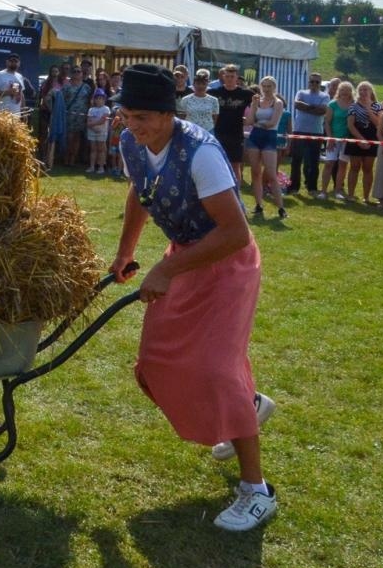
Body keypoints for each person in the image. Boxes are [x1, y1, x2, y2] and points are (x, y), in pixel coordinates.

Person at [110, 64, 276, 532]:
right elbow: (139, 193)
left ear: (169, 114)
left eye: (144, 117)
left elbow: (236, 234)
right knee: (156, 362)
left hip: (227, 264)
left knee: (216, 370)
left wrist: (166, 269)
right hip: (184, 257)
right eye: (127, 116)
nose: (135, 126)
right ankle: (249, 406)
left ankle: (256, 491)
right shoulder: (131, 144)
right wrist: (126, 252)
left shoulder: (200, 153)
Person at [243, 76, 287, 219]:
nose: (267, 89)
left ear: (274, 87)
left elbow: (272, 122)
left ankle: (281, 207)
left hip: (269, 137)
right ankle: (258, 205)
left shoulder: (278, 103)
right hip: (255, 137)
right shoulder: (257, 101)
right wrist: (254, 106)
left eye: (269, 86)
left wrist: (257, 122)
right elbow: (249, 121)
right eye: (264, 86)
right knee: (255, 172)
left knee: (271, 174)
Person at [211, 65, 252, 187]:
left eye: (232, 76)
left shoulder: (246, 93)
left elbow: (259, 105)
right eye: (227, 76)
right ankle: (217, 190)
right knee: (216, 164)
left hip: (236, 134)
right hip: (217, 133)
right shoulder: (213, 92)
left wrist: (250, 119)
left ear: (236, 78)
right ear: (223, 77)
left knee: (235, 165)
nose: (229, 79)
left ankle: (237, 195)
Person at [289, 72, 328, 197]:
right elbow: (297, 105)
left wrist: (306, 107)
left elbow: (322, 111)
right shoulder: (301, 92)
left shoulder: (325, 96)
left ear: (320, 84)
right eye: (312, 81)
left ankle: (312, 188)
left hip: (316, 132)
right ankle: (293, 187)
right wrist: (314, 108)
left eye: (317, 82)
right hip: (299, 130)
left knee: (313, 161)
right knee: (296, 160)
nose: (314, 84)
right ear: (308, 82)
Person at [344, 81, 379, 203]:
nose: (363, 92)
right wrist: (360, 139)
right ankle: (350, 195)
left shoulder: (377, 106)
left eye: (366, 89)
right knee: (354, 167)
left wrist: (369, 110)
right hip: (356, 138)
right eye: (361, 90)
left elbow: (379, 124)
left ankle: (366, 197)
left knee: (368, 168)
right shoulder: (353, 106)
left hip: (372, 139)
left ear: (371, 91)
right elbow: (350, 125)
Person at [323, 80, 354, 199]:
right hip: (333, 139)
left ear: (351, 92)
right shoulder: (332, 104)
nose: (344, 93)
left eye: (347, 91)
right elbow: (327, 122)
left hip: (347, 140)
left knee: (343, 165)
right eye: (342, 90)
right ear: (338, 91)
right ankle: (324, 191)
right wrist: (330, 138)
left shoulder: (354, 104)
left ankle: (337, 191)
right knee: (329, 163)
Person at [85, 89, 111, 172]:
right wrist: (94, 127)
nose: (99, 100)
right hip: (92, 132)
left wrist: (92, 125)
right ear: (94, 99)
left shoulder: (106, 109)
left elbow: (103, 120)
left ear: (104, 99)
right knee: (93, 149)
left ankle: (101, 167)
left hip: (102, 132)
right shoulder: (91, 110)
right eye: (97, 98)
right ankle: (92, 167)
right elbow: (88, 122)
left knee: (101, 150)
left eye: (101, 98)